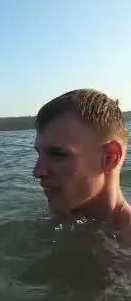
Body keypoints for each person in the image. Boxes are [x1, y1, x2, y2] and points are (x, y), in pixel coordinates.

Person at [33, 88, 130, 243]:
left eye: (58, 154)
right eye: (39, 154)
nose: (37, 171)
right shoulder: (54, 222)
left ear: (110, 158)